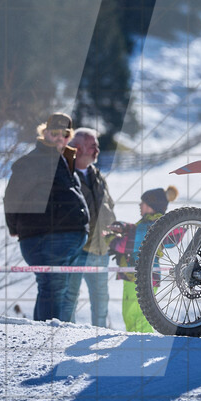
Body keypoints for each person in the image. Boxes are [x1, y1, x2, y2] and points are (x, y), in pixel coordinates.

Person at [4, 112, 88, 322]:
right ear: (45, 133)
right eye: (54, 133)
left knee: (56, 289)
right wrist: (15, 227)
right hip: (45, 236)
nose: (60, 137)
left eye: (65, 133)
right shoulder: (33, 161)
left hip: (66, 238)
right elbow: (13, 196)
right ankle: (47, 340)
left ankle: (51, 337)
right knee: (54, 288)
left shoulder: (65, 159)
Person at [109, 186, 178, 333]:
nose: (140, 205)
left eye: (143, 203)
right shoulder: (155, 225)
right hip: (148, 277)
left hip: (137, 277)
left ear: (152, 207)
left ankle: (143, 347)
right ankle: (140, 346)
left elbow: (124, 245)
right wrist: (125, 227)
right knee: (137, 316)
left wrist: (109, 238)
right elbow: (135, 231)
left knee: (134, 316)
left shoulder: (146, 227)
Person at [66, 128, 115, 327]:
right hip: (76, 250)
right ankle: (64, 335)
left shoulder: (97, 175)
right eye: (92, 146)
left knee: (101, 300)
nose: (97, 150)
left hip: (100, 249)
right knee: (69, 298)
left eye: (97, 145)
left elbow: (109, 205)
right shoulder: (66, 176)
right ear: (77, 149)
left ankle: (100, 336)